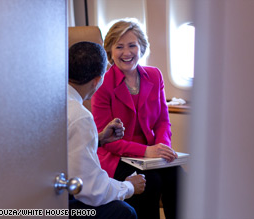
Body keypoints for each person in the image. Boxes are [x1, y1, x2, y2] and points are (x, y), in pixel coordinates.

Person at [91, 19, 184, 219]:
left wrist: (161, 149)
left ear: (141, 47)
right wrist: (147, 151)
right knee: (151, 182)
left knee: (179, 178)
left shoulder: (155, 75)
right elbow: (106, 140)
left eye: (132, 45)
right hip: (116, 156)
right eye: (120, 47)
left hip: (150, 154)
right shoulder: (102, 83)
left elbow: (162, 121)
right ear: (110, 51)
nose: (127, 53)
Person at [67, 41, 146, 219]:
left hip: (22, 197)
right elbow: (92, 190)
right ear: (97, 81)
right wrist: (129, 186)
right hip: (48, 208)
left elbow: (61, 147)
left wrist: (99, 139)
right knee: (123, 211)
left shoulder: (51, 99)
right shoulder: (80, 116)